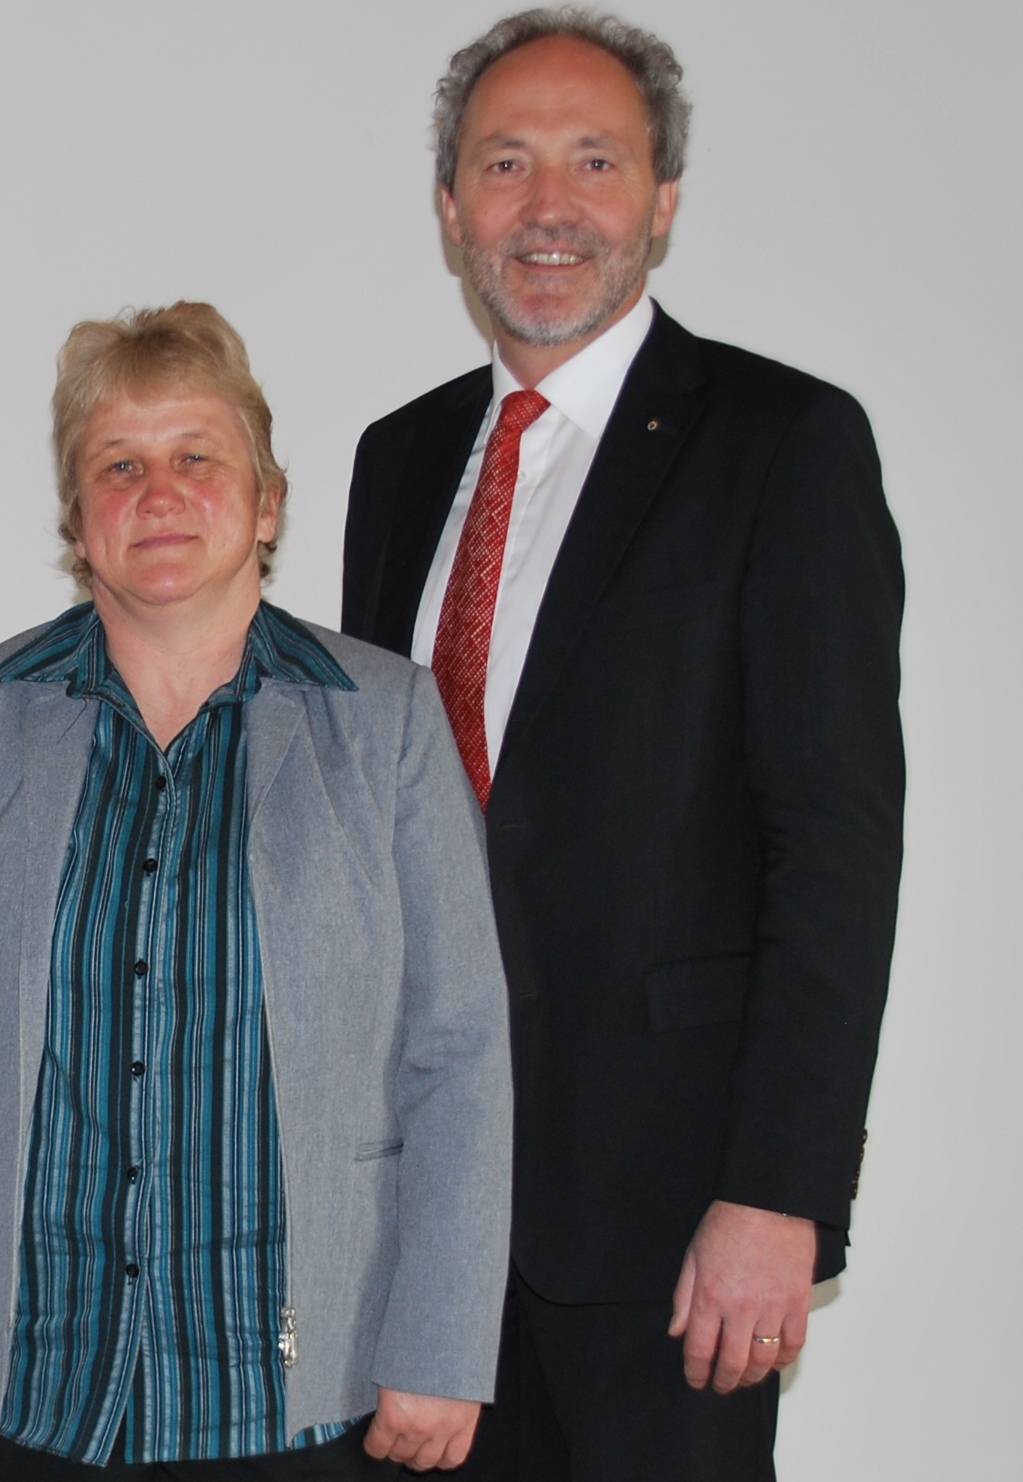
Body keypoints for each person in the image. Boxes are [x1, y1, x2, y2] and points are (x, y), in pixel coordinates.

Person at [339, 11, 905, 1480]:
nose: (546, 207)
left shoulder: (782, 444)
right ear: (449, 209)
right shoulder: (394, 462)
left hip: (665, 1230)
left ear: (658, 202)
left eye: (594, 162)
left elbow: (832, 844)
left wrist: (775, 1195)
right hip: (414, 1229)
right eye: (503, 163)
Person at [0, 301, 512, 1481]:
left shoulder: (390, 725)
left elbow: (458, 1057)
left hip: (305, 1390)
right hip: (32, 1393)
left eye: (199, 457)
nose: (160, 492)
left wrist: (445, 1344)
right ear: (76, 520)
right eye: (120, 465)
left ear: (267, 501)